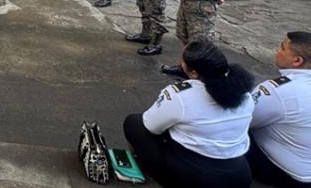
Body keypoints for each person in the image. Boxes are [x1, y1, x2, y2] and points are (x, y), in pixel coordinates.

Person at [123, 41, 255, 188]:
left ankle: (142, 168)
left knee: (134, 123)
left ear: (193, 72)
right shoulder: (245, 94)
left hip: (197, 178)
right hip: (239, 177)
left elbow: (151, 126)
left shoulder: (181, 95)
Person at [248, 31, 311, 187]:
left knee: (222, 129)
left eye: (282, 48)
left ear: (297, 61)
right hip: (305, 165)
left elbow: (244, 120)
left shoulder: (279, 91)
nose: (277, 50)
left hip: (286, 173)